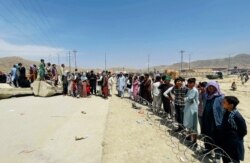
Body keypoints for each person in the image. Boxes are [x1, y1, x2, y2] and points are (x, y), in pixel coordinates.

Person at [219, 96, 247, 163]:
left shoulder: (237, 117)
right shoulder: (226, 112)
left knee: (233, 160)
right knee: (225, 158)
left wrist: (234, 138)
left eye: (224, 102)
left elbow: (243, 131)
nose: (222, 103)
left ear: (231, 105)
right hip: (225, 141)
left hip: (233, 144)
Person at [201, 81, 224, 153]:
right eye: (209, 86)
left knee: (215, 136)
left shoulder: (221, 97)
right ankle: (208, 148)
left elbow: (225, 109)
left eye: (213, 87)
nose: (211, 88)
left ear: (216, 88)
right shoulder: (206, 96)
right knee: (206, 134)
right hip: (206, 118)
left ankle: (217, 154)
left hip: (215, 121)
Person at [183, 78, 199, 142]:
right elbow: (187, 97)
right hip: (188, 108)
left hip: (193, 109)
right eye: (188, 83)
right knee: (189, 124)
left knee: (193, 125)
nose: (189, 84)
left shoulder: (194, 90)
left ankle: (194, 140)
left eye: (190, 83)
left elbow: (189, 99)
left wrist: (185, 98)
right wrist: (185, 98)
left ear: (194, 83)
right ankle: (189, 136)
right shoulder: (190, 89)